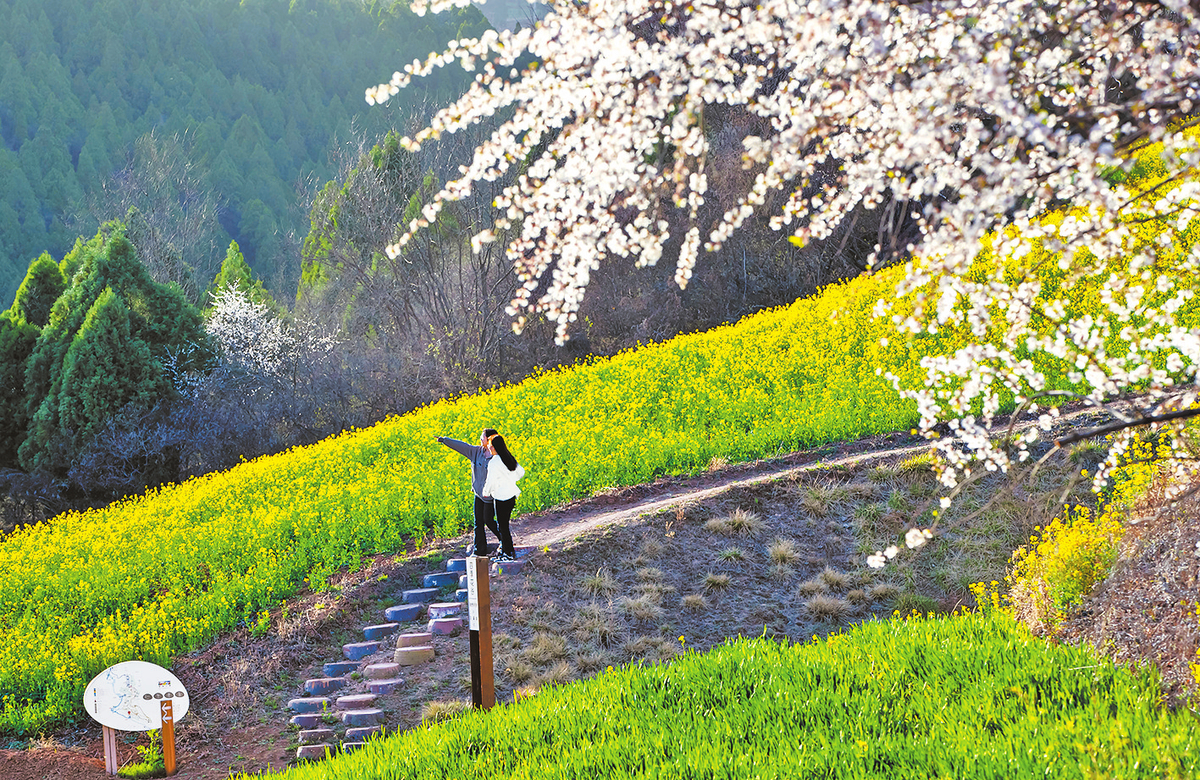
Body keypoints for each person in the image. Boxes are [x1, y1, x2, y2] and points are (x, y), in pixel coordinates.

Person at [435, 429, 516, 559]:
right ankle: (479, 550)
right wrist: (445, 440)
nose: (480, 440)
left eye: (482, 438)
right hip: (478, 495)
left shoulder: (497, 457)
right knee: (478, 522)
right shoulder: (476, 452)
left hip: (491, 496)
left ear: (490, 440)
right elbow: (462, 446)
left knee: (489, 521)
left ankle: (505, 544)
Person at [481, 434, 524, 561]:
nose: (489, 449)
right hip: (511, 496)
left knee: (502, 527)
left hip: (501, 498)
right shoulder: (508, 458)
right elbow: (521, 472)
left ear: (495, 448)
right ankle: (508, 551)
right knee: (504, 526)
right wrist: (509, 480)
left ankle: (508, 553)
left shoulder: (494, 462)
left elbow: (490, 480)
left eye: (490, 447)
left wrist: (486, 492)